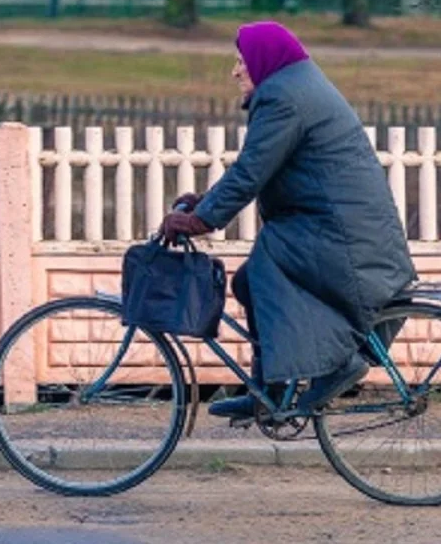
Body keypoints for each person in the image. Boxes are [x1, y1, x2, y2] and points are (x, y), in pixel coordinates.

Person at [159, 21, 415, 418]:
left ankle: (336, 366)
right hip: (339, 226)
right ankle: (269, 391)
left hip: (339, 234)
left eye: (241, 61)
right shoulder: (294, 87)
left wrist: (201, 220)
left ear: (262, 60)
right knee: (247, 282)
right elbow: (259, 167)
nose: (235, 71)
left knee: (264, 271)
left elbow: (250, 172)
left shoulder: (283, 97)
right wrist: (205, 203)